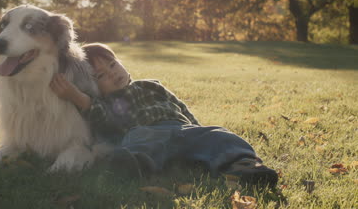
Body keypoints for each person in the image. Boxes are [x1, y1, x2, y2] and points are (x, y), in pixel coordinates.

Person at [50, 43, 278, 187]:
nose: (112, 73)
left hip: (180, 128)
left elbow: (180, 106)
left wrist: (196, 129)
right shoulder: (106, 102)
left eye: (112, 64)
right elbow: (99, 116)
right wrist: (75, 95)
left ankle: (245, 166)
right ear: (95, 86)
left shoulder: (152, 85)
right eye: (101, 76)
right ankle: (133, 166)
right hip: (144, 133)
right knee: (138, 143)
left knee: (219, 135)